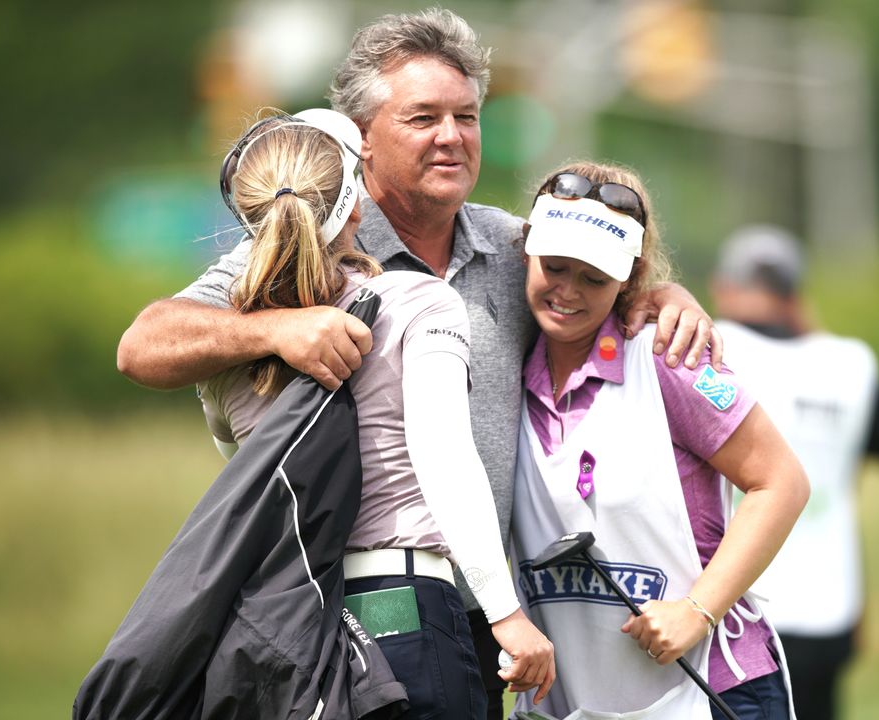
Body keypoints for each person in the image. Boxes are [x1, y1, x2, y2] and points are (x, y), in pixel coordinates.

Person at [114, 9, 720, 715]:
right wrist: (283, 327)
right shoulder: (309, 235)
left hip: (481, 615)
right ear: (361, 140)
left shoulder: (514, 248)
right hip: (331, 611)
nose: (451, 137)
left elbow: (603, 277)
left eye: (466, 116)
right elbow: (144, 346)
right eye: (423, 117)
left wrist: (664, 292)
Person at [202, 107, 554, 717]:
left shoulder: (234, 334)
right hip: (402, 607)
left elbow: (249, 470)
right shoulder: (420, 299)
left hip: (286, 618)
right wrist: (507, 614)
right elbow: (444, 458)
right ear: (357, 208)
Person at [510, 161, 809, 720]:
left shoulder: (668, 356)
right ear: (526, 249)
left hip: (714, 687)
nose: (567, 291)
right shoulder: (508, 362)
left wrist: (697, 609)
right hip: (581, 699)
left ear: (631, 276)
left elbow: (781, 482)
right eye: (554, 266)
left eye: (595, 277)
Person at [710, 224, 879, 720]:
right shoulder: (849, 363)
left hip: (736, 608)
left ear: (724, 286)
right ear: (794, 296)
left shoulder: (713, 351)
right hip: (831, 610)